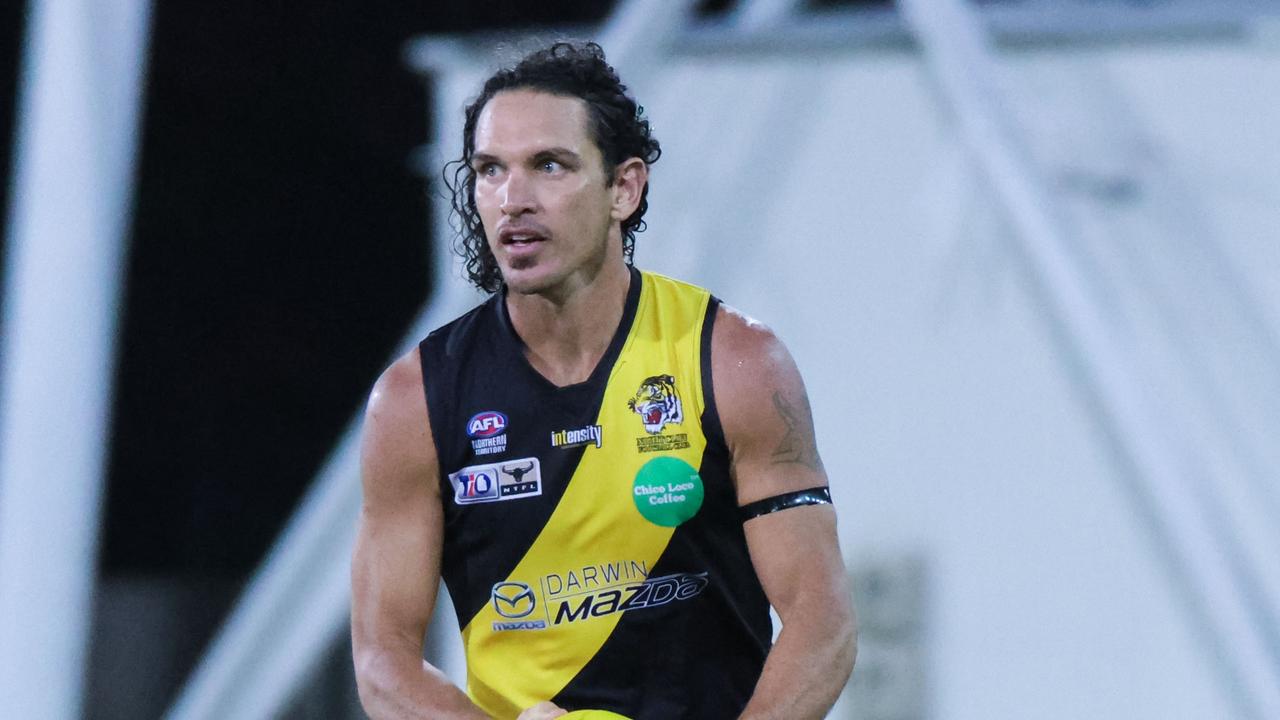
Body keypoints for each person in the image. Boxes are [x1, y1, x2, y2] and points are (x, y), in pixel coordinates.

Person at [351, 41, 855, 720]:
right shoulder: (416, 401)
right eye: (490, 170)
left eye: (548, 166)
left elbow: (822, 625)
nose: (512, 199)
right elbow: (384, 663)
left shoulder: (733, 361)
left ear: (625, 187)